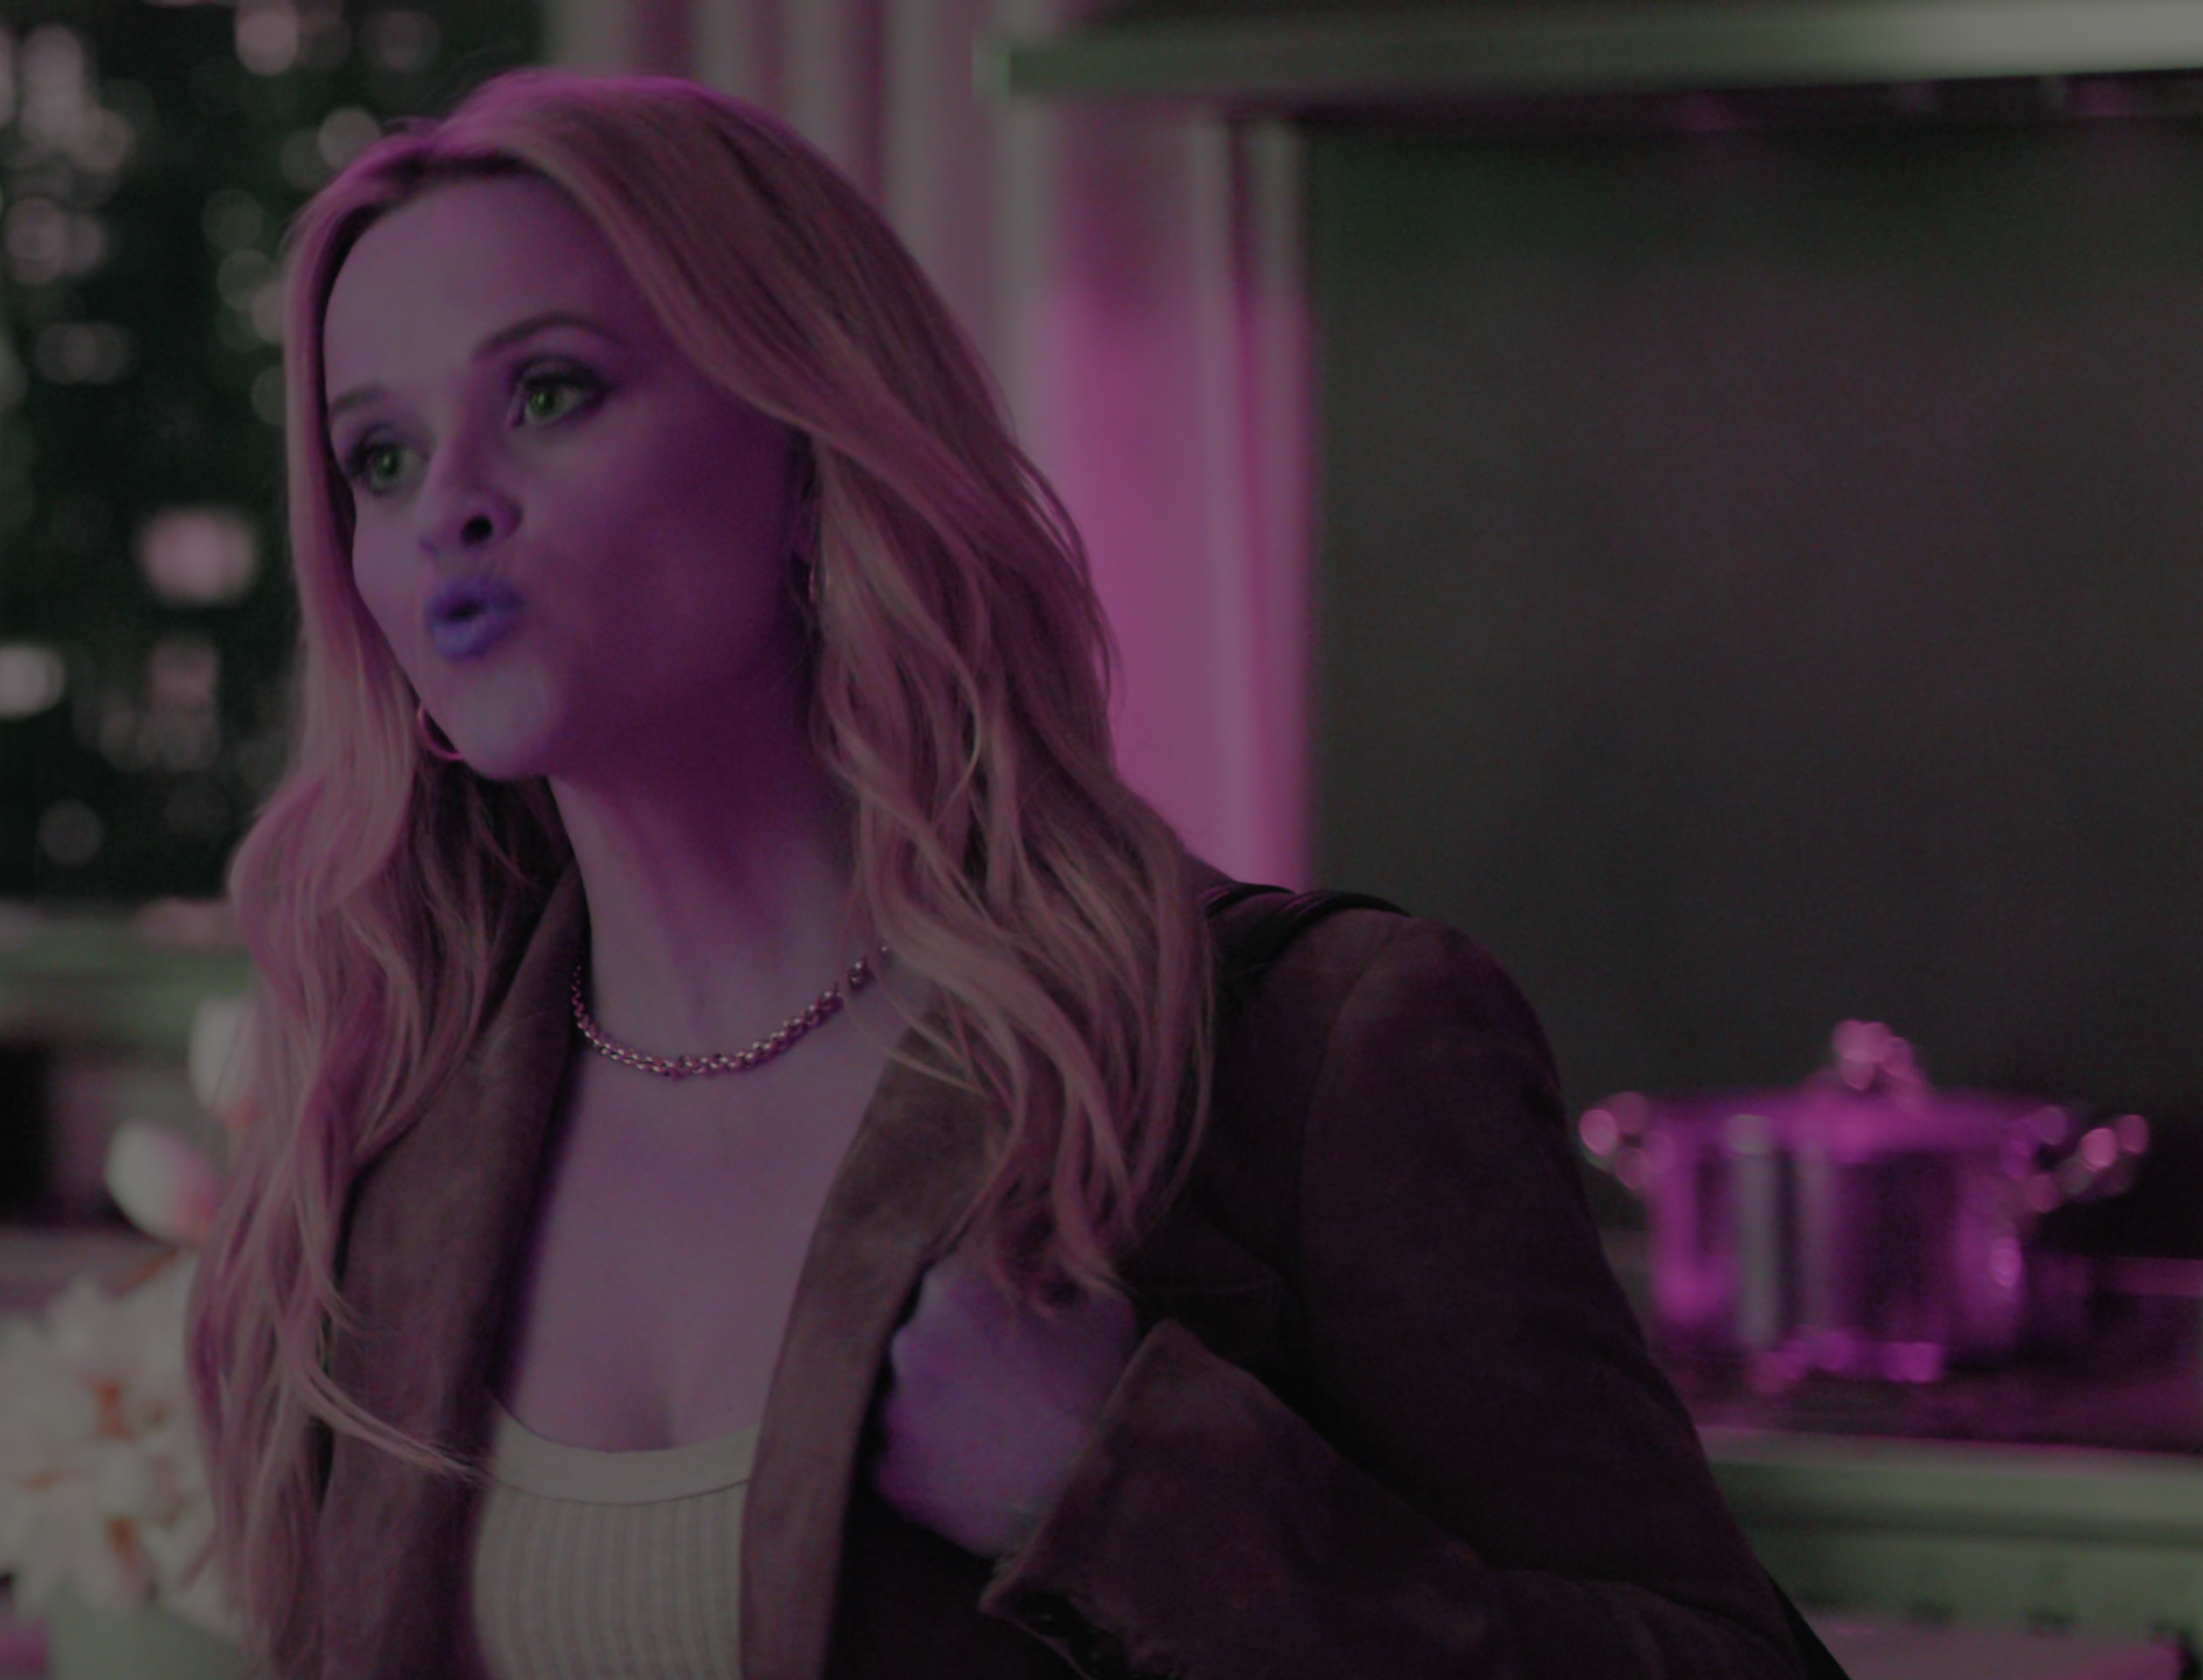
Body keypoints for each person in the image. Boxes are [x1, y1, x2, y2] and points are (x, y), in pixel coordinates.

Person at [183, 67, 1832, 1680]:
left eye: (549, 393)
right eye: (379, 458)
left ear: (807, 444)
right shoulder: (371, 1148)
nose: (448, 509)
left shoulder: (1306, 1051)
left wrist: (1119, 1499)